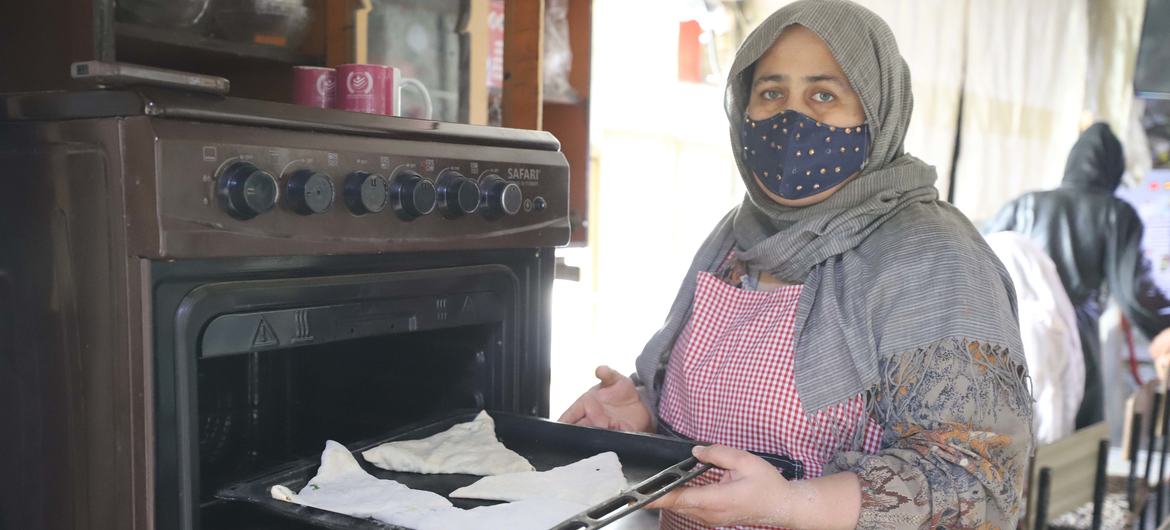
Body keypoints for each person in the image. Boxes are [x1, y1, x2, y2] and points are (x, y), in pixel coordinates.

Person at [559, 1, 1033, 528]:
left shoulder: (933, 258)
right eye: (771, 93)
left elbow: (979, 485)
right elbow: (706, 406)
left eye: (824, 95)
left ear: (878, 111)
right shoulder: (737, 237)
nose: (792, 118)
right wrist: (644, 411)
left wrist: (789, 505)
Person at [985, 122, 1170, 429]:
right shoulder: (1115, 213)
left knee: (1015, 428)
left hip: (1016, 334)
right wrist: (1164, 326)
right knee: (1076, 436)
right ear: (1114, 169)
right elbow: (1133, 290)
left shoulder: (1026, 203)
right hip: (1077, 338)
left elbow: (981, 253)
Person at [984, 231, 1084, 443]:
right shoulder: (1053, 317)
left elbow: (1036, 396)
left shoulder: (1031, 324)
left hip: (1033, 451)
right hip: (1054, 449)